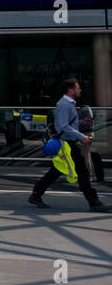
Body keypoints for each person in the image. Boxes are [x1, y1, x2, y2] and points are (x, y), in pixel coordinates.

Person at [29, 79, 111, 212]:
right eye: (78, 88)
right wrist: (82, 136)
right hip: (67, 144)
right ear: (70, 90)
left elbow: (68, 124)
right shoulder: (65, 104)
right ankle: (94, 202)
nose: (80, 90)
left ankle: (36, 194)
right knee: (82, 172)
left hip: (68, 143)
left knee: (57, 170)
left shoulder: (68, 104)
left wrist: (81, 122)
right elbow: (63, 126)